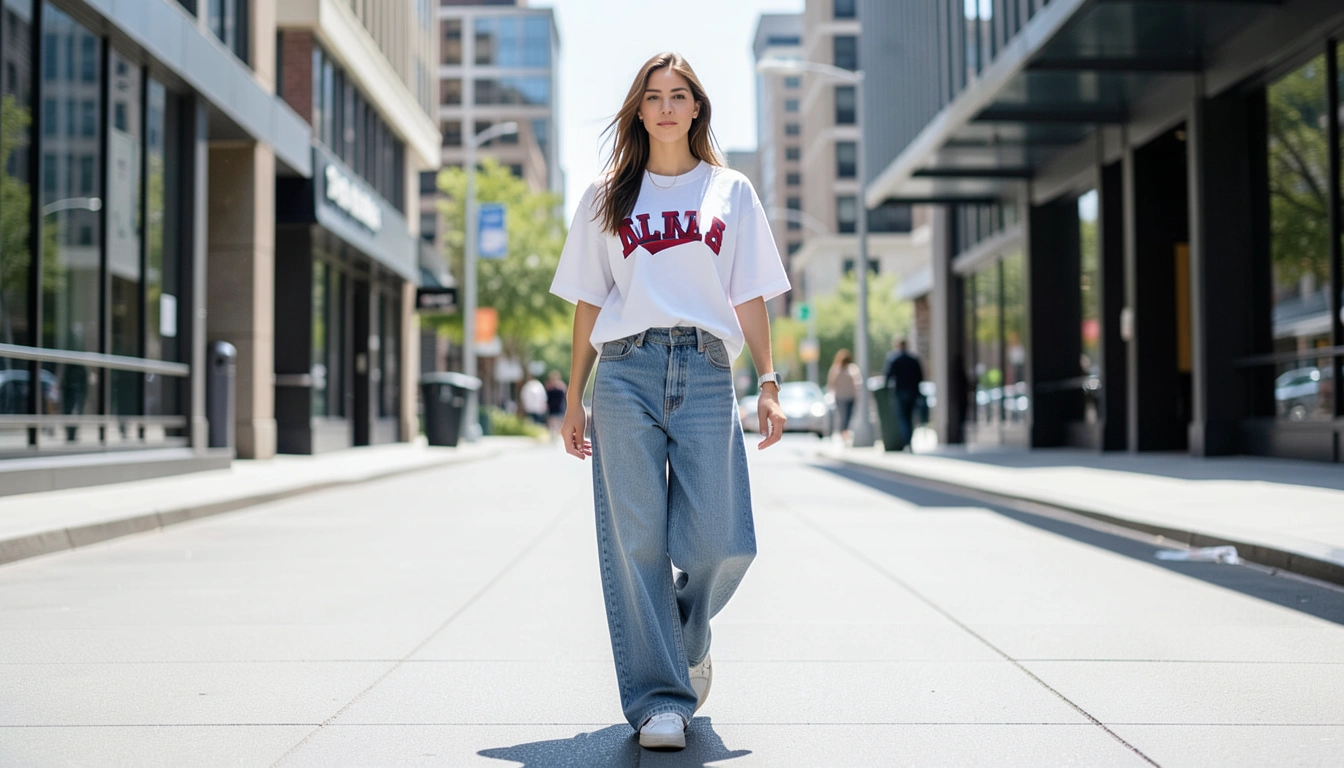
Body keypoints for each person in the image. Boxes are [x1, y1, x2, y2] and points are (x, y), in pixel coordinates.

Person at [549, 52, 790, 752]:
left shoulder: (731, 190)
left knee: (724, 541)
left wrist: (769, 382)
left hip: (708, 369)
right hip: (624, 370)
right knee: (638, 542)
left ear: (696, 108)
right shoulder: (606, 195)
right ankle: (660, 700)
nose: (664, 106)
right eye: (652, 96)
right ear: (638, 109)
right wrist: (574, 397)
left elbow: (748, 291)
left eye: (677, 95)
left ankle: (684, 635)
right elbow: (591, 301)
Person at [883, 337, 924, 451]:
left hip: (900, 392)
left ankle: (907, 441)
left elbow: (887, 375)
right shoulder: (913, 359)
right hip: (912, 392)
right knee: (910, 417)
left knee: (903, 418)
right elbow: (920, 377)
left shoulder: (894, 359)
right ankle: (909, 440)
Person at [825, 348, 861, 442]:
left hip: (850, 396)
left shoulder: (852, 369)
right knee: (843, 416)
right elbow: (831, 383)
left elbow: (856, 383)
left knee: (849, 416)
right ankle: (843, 434)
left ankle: (845, 433)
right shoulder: (836, 369)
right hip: (840, 397)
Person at [544, 371, 567, 439]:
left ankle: (556, 436)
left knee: (558, 423)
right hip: (552, 408)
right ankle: (553, 436)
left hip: (559, 407)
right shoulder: (549, 387)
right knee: (551, 422)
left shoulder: (561, 386)